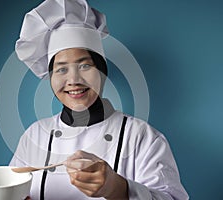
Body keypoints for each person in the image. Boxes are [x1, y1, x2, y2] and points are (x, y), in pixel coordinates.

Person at [10, 0, 189, 199]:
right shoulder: (35, 136)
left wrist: (117, 188)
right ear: (50, 78)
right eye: (61, 69)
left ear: (102, 71)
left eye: (85, 66)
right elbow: (12, 188)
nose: (73, 80)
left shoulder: (141, 137)